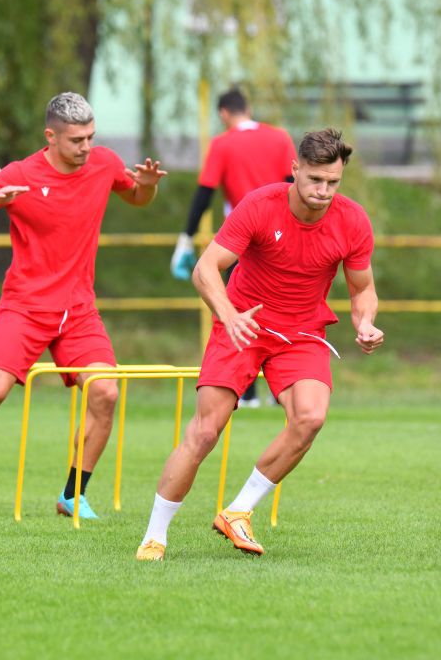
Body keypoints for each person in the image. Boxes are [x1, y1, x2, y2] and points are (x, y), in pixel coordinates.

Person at [0, 91, 167, 522]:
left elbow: (136, 198)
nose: (86, 147)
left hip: (79, 310)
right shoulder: (21, 173)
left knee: (106, 391)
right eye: (76, 140)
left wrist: (149, 188)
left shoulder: (102, 162)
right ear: (51, 137)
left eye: (90, 137)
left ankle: (73, 494)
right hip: (25, 308)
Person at [137, 128, 383, 561]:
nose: (324, 191)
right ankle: (154, 536)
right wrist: (228, 315)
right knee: (206, 431)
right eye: (315, 181)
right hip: (243, 324)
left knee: (310, 418)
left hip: (303, 332)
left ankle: (238, 511)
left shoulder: (353, 220)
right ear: (295, 170)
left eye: (333, 182)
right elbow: (206, 269)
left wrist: (365, 322)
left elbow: (362, 288)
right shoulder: (259, 205)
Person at [170, 87, 296, 406]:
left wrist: (186, 237)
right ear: (249, 108)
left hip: (244, 239)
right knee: (286, 308)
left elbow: (205, 193)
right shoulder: (280, 138)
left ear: (224, 114)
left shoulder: (222, 143)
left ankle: (248, 393)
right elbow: (296, 187)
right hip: (284, 236)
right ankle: (286, 388)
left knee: (241, 310)